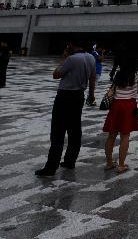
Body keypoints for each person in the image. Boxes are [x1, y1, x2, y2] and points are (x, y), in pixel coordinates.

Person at [36, 39, 97, 176]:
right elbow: (92, 78)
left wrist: (64, 59)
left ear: (72, 45)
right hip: (79, 96)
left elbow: (56, 75)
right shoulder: (91, 57)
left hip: (64, 96)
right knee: (75, 129)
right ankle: (70, 160)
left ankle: (51, 166)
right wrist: (92, 95)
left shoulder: (72, 59)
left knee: (58, 131)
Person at [103, 50, 138, 174]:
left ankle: (109, 163)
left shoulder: (118, 74)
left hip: (115, 105)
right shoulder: (136, 75)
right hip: (129, 106)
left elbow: (113, 89)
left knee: (111, 135)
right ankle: (121, 165)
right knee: (125, 135)